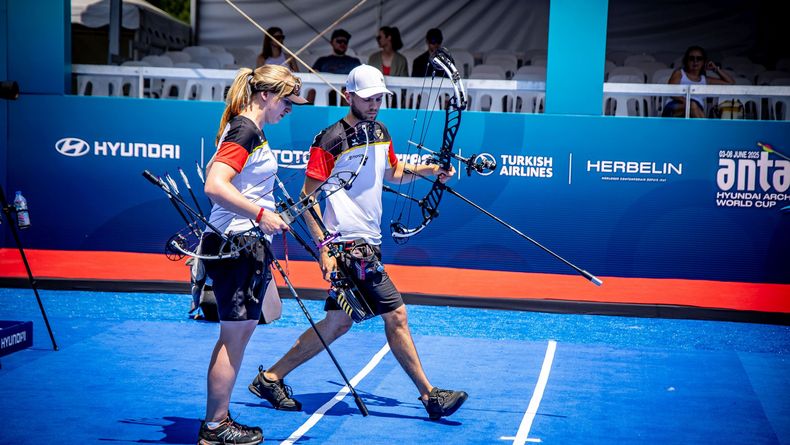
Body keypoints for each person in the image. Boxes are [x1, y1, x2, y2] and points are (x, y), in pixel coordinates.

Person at [247, 65, 468, 420]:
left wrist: (429, 170)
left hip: (368, 241)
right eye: (368, 98)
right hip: (348, 247)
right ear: (348, 96)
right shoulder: (329, 140)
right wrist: (324, 248)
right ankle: (430, 396)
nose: (375, 104)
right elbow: (308, 198)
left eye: (379, 98)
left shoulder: (380, 131)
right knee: (396, 314)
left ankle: (270, 377)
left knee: (337, 323)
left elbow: (394, 172)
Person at [197, 64, 307, 445]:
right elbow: (215, 184)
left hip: (242, 243)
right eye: (286, 101)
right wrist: (261, 214)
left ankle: (217, 422)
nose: (289, 109)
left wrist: (264, 213)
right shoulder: (245, 128)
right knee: (233, 338)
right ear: (265, 95)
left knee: (236, 336)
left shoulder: (250, 130)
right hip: (236, 245)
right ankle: (215, 427)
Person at [662, 45, 734, 118]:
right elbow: (671, 92)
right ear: (686, 61)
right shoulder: (680, 73)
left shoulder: (705, 80)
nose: (695, 61)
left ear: (703, 62)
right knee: (693, 105)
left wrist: (715, 69)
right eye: (691, 58)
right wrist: (688, 102)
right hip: (676, 106)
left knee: (694, 107)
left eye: (699, 58)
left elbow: (730, 83)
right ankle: (705, 128)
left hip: (696, 110)